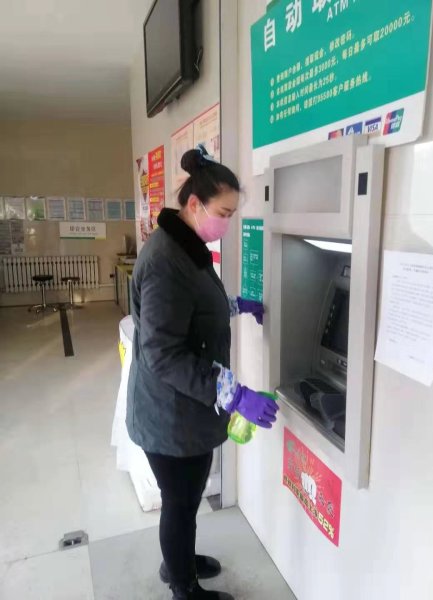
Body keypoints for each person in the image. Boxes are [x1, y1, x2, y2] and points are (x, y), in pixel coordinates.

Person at [126, 145, 279, 600]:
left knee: (188, 498)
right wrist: (234, 394)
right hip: (169, 413)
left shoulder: (186, 246)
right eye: (224, 213)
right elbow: (163, 352)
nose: (226, 223)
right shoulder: (166, 260)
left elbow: (190, 310)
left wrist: (234, 305)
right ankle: (184, 587)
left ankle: (181, 561)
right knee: (180, 501)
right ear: (195, 204)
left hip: (183, 408)